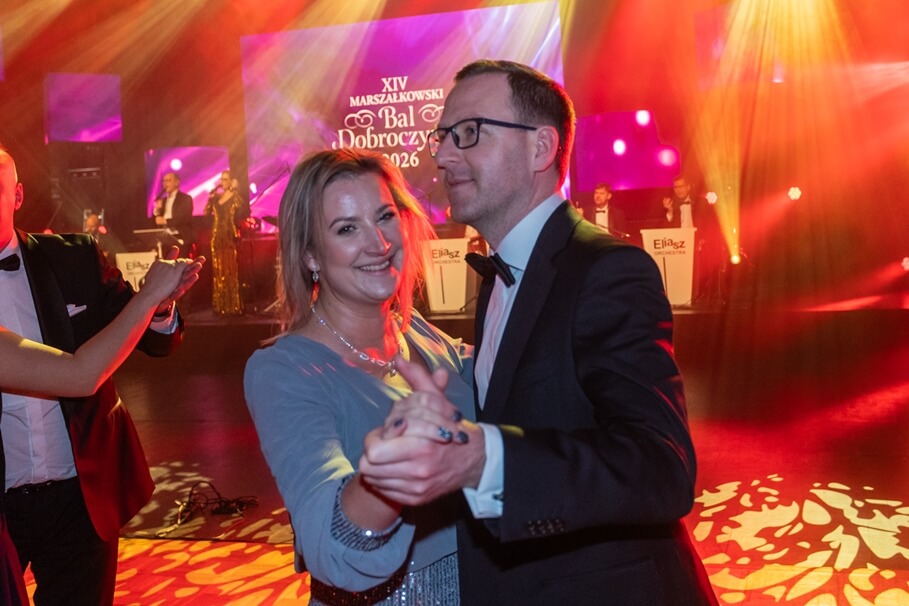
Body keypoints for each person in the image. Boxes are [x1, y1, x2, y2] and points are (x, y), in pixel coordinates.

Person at [358, 60, 718, 604]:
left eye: (469, 133)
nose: (443, 155)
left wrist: (484, 460)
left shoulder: (606, 270)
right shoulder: (500, 273)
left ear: (541, 148)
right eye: (442, 136)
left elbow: (661, 468)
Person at [244, 148, 474, 605]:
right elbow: (330, 546)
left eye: (384, 217)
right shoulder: (284, 370)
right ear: (310, 255)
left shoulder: (420, 336)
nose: (379, 243)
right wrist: (392, 469)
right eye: (347, 228)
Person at [0, 146, 195, 606]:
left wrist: (158, 307)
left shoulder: (73, 258)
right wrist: (148, 297)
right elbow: (81, 375)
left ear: (17, 196)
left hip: (80, 494)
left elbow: (152, 338)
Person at [661, 176, 726, 304]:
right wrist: (669, 211)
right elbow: (667, 227)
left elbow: (710, 222)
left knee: (702, 272)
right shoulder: (672, 204)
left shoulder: (700, 202)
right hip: (679, 244)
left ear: (688, 187)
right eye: (675, 187)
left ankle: (703, 295)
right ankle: (683, 295)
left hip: (699, 242)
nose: (678, 190)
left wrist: (703, 238)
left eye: (681, 186)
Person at [204, 170, 248, 316]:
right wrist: (210, 199)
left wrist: (235, 190)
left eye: (225, 179)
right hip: (217, 237)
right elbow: (206, 213)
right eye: (221, 179)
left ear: (231, 181)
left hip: (230, 236)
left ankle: (232, 305)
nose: (222, 182)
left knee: (231, 270)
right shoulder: (216, 198)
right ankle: (220, 305)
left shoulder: (235, 197)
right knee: (219, 271)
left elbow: (243, 210)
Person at [154, 171, 195, 256]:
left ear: (176, 183)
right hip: (166, 237)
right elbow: (158, 220)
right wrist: (157, 210)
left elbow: (184, 217)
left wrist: (166, 221)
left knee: (180, 261)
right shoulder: (163, 200)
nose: (165, 183)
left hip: (180, 236)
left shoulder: (185, 198)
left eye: (169, 180)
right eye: (164, 181)